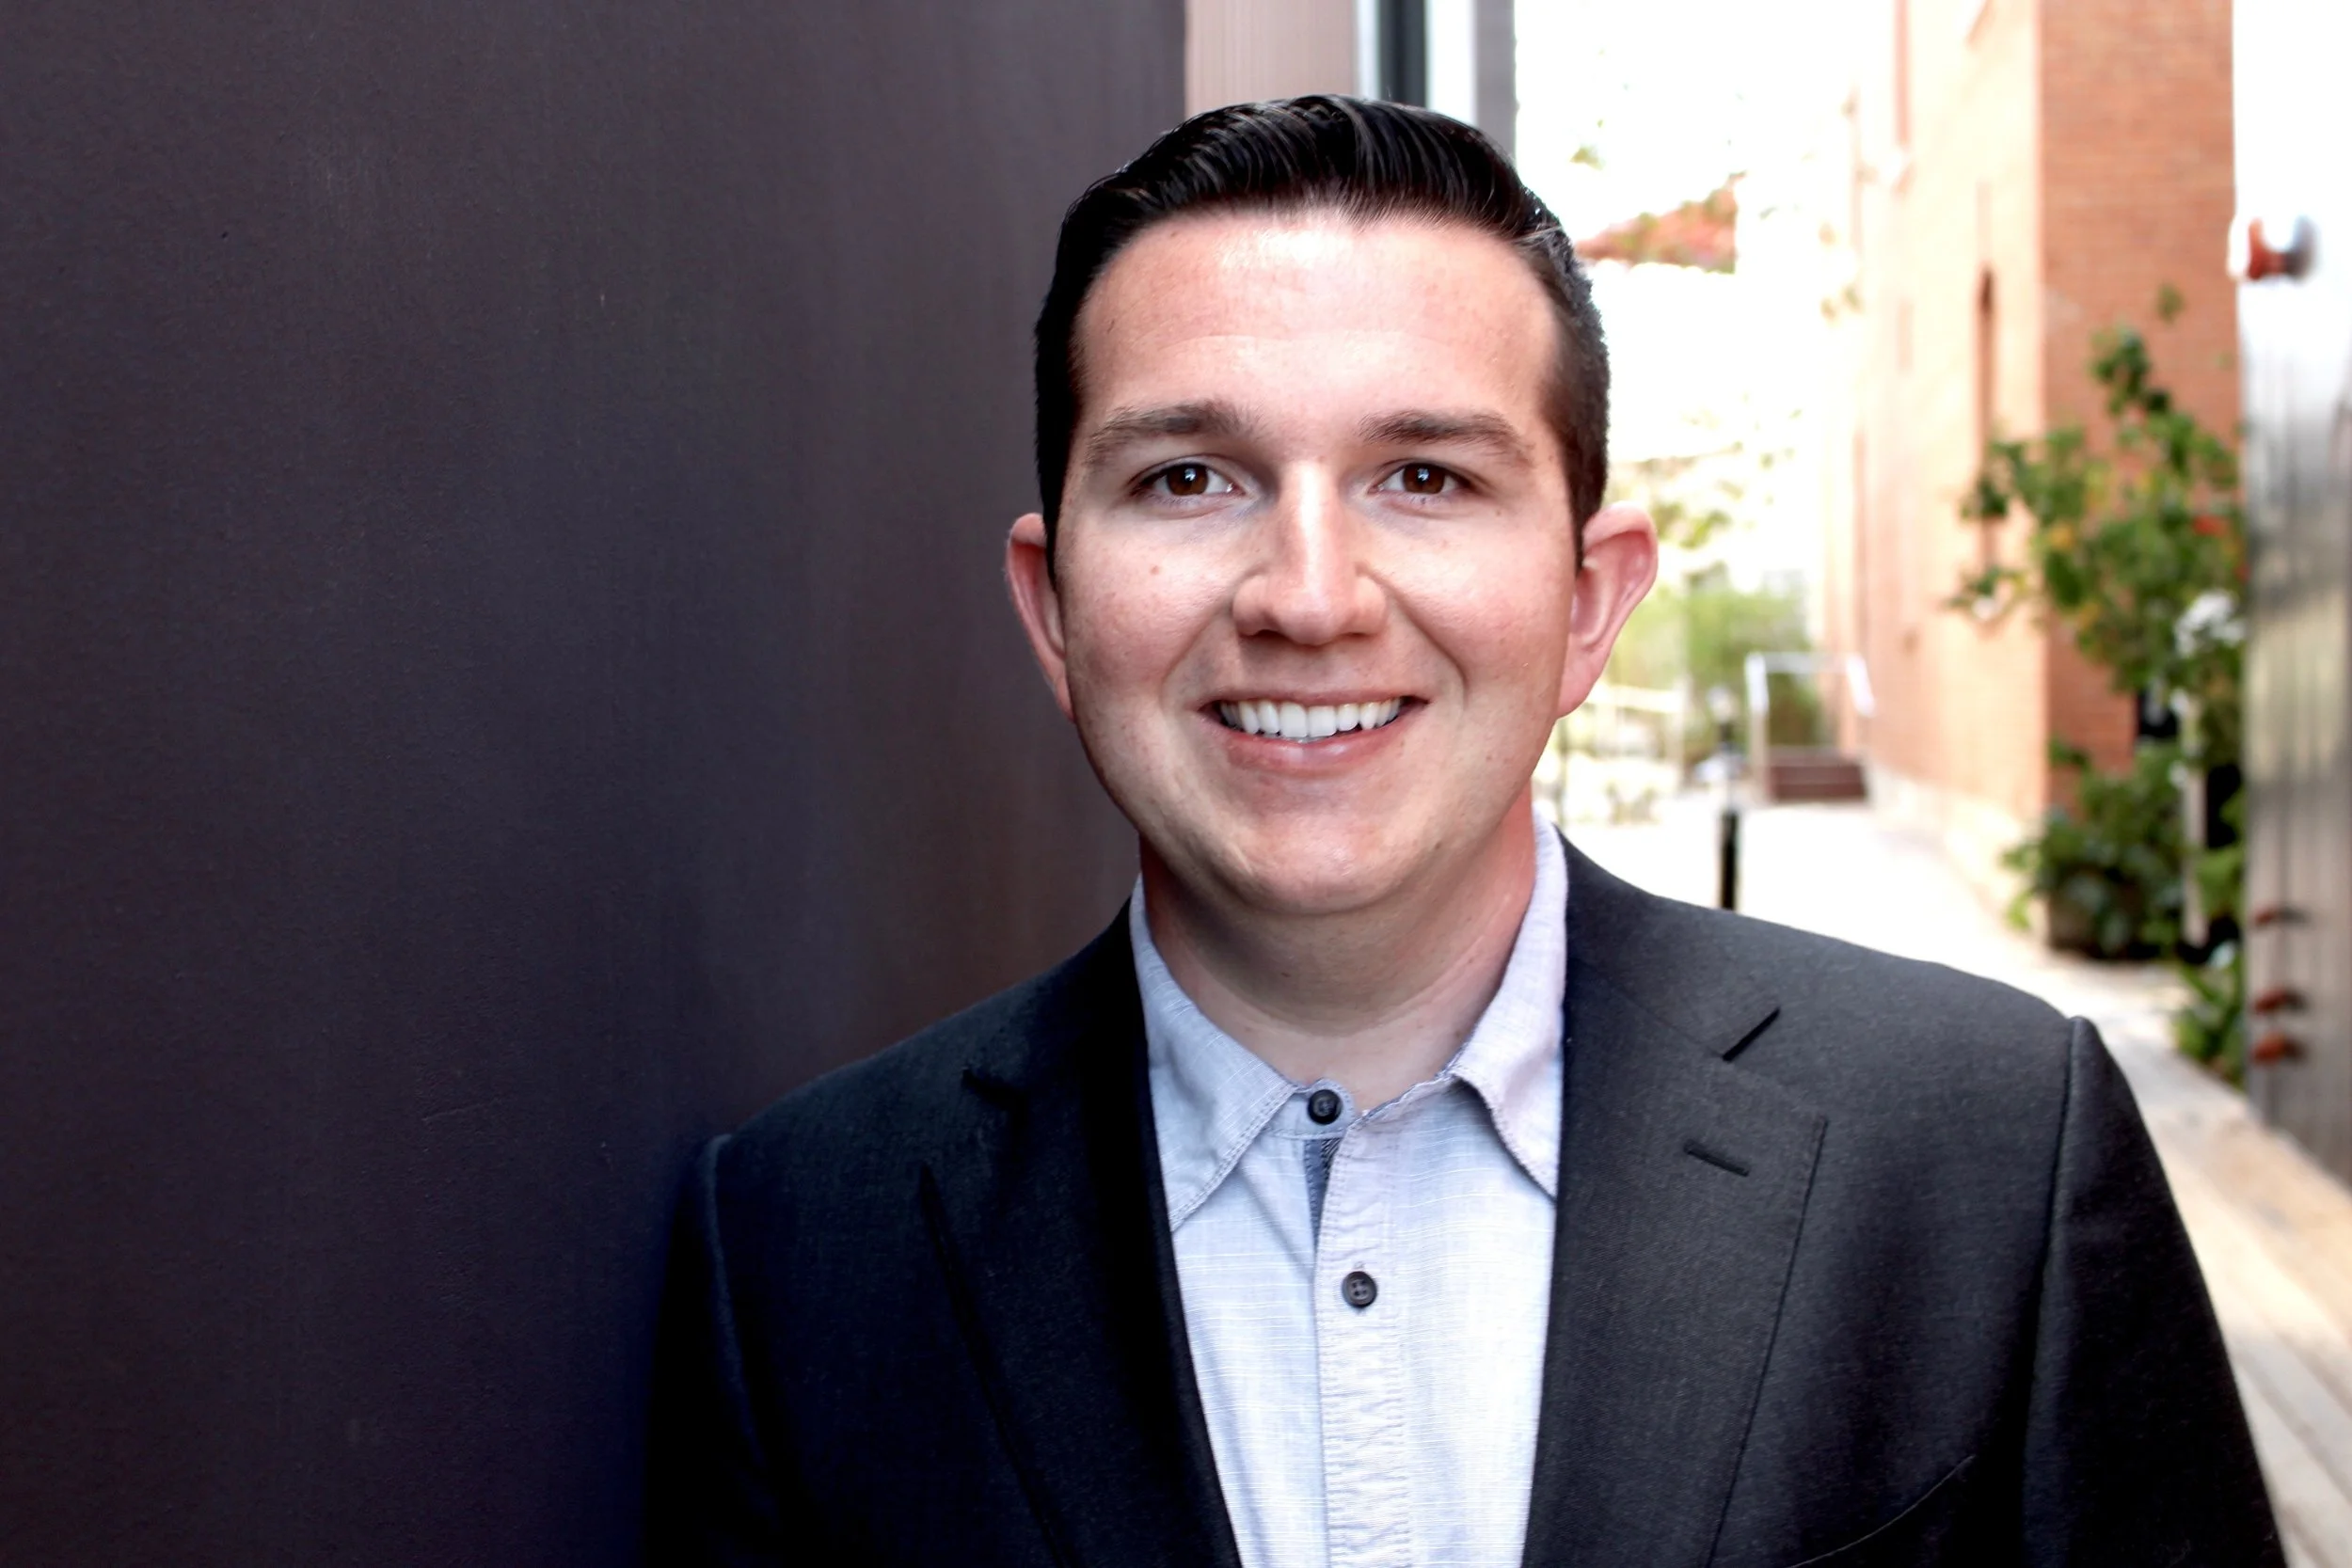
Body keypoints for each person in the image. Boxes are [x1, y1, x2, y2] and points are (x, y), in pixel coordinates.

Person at [646, 96, 2280, 1567]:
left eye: (1422, 475)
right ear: (1053, 607)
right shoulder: (801, 1251)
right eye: (1190, 477)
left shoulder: (1988, 1151)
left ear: (1590, 601)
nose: (1307, 596)